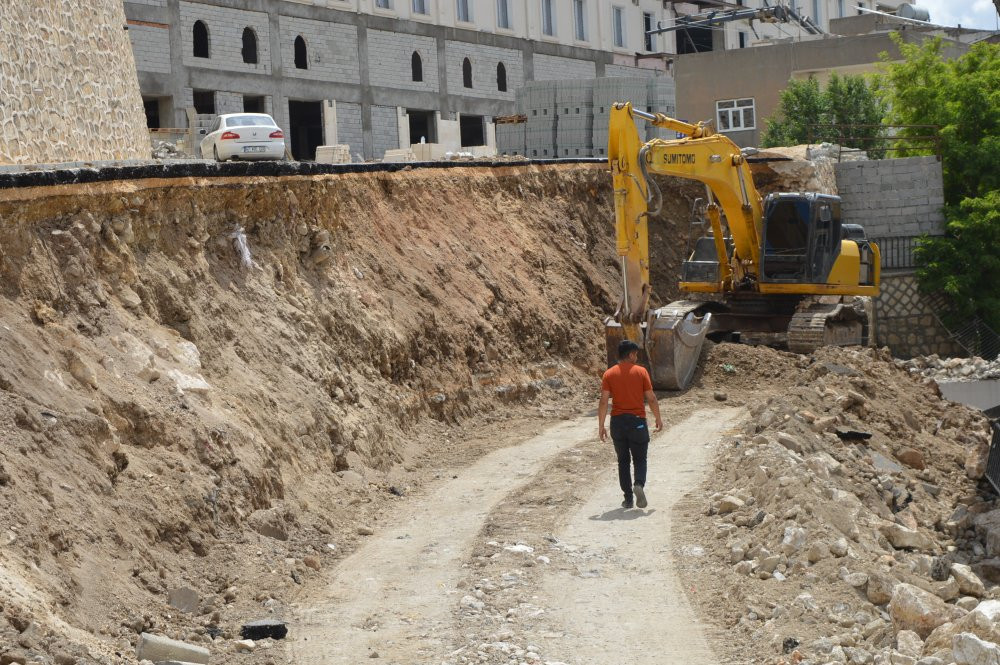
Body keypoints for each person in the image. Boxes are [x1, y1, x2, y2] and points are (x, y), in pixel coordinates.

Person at [598, 339, 663, 509]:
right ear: (630, 354)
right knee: (640, 458)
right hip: (637, 422)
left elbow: (604, 401)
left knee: (623, 461)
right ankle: (639, 485)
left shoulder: (609, 374)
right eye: (635, 353)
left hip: (617, 423)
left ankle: (628, 499)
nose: (636, 356)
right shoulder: (641, 372)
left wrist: (601, 425)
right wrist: (658, 417)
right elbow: (651, 398)